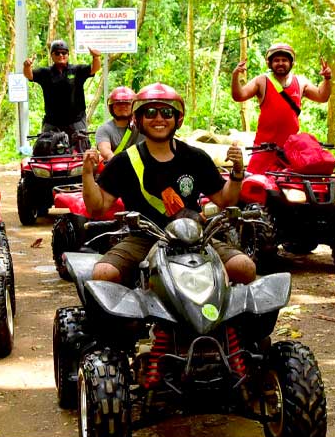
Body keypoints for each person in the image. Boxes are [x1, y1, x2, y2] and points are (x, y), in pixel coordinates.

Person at [82, 82, 256, 286]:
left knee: (245, 267)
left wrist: (237, 172)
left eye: (166, 112)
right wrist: (87, 173)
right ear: (139, 119)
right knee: (103, 274)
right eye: (150, 113)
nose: (159, 119)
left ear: (177, 118)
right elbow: (97, 207)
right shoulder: (124, 161)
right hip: (142, 238)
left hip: (193, 237)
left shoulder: (195, 157)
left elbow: (226, 199)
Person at [231, 42, 332, 174]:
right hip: (263, 148)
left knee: (292, 187)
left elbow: (322, 96)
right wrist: (235, 76)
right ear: (270, 63)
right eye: (276, 60)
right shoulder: (261, 81)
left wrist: (327, 78)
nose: (280, 63)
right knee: (253, 185)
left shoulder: (300, 82)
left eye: (284, 60)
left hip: (290, 150)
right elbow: (239, 96)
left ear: (291, 63)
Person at [23, 39, 101, 151]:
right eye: (57, 53)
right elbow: (30, 76)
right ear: (52, 55)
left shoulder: (77, 70)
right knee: (45, 150)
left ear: (68, 54)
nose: (61, 55)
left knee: (82, 151)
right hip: (52, 122)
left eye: (64, 53)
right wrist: (27, 66)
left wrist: (96, 57)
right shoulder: (46, 72)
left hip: (76, 121)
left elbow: (94, 68)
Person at [94, 86, 146, 162]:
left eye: (127, 104)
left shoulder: (143, 126)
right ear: (112, 107)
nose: (123, 106)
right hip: (116, 166)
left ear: (134, 106)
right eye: (118, 104)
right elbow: (105, 150)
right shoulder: (104, 129)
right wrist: (117, 163)